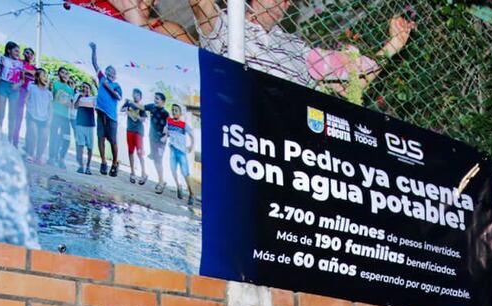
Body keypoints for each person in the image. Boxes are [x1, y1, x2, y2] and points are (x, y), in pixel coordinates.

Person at [190, 0, 414, 95]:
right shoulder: (225, 24)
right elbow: (200, 5)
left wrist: (393, 45)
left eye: (289, 0)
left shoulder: (297, 47)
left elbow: (353, 83)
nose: (284, 4)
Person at [88, 42, 122, 176]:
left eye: (113, 71)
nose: (111, 72)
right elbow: (94, 63)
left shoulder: (117, 85)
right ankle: (103, 162)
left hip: (112, 117)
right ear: (106, 72)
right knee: (100, 137)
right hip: (100, 113)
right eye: (109, 70)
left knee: (113, 141)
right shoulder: (102, 78)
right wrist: (94, 50)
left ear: (115, 74)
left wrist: (109, 88)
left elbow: (118, 97)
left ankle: (115, 163)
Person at [166, 104, 196, 205]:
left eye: (176, 110)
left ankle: (191, 194)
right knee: (173, 170)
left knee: (185, 173)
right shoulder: (169, 121)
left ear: (180, 113)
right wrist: (165, 135)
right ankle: (179, 186)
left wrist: (191, 145)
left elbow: (192, 135)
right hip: (172, 150)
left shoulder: (183, 125)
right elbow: (167, 132)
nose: (174, 112)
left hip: (181, 152)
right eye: (173, 110)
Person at [47, 67, 75, 168]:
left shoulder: (71, 89)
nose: (64, 74)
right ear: (58, 74)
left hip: (65, 117)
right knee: (53, 136)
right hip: (55, 114)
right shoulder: (55, 84)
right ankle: (51, 157)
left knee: (66, 138)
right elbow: (50, 98)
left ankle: (61, 158)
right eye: (62, 72)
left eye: (66, 73)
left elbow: (71, 104)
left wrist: (70, 104)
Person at [143, 92, 171, 193]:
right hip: (152, 138)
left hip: (161, 141)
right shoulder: (152, 107)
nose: (155, 100)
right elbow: (141, 107)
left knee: (158, 161)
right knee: (155, 160)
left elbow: (169, 128)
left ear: (163, 102)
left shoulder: (165, 113)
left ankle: (161, 182)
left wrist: (165, 136)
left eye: (157, 99)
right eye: (155, 98)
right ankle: (161, 180)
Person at [24, 69, 53, 164]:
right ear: (37, 77)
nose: (45, 78)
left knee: (44, 138)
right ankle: (30, 154)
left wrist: (50, 119)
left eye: (46, 76)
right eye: (43, 75)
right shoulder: (32, 87)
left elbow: (50, 107)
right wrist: (28, 108)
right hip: (32, 115)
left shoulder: (49, 93)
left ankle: (38, 156)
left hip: (44, 117)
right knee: (33, 135)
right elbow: (26, 99)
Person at [123, 89, 147, 184]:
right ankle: (132, 172)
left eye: (137, 95)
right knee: (130, 151)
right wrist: (126, 108)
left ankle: (143, 173)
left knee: (140, 153)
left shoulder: (141, 107)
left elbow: (144, 119)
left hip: (138, 132)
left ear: (140, 97)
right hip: (129, 130)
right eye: (134, 94)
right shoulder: (128, 103)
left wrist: (136, 116)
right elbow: (122, 110)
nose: (135, 96)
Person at [0, 42, 23, 130]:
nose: (18, 53)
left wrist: (18, 84)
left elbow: (22, 79)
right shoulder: (2, 58)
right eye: (16, 51)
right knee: (1, 114)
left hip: (15, 88)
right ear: (9, 50)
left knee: (12, 116)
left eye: (19, 52)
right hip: (3, 85)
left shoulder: (20, 63)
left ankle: (10, 137)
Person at [73, 82, 97, 175]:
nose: (84, 89)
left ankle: (88, 166)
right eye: (83, 87)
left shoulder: (93, 98)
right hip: (80, 124)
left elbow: (97, 104)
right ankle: (81, 166)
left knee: (90, 147)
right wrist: (80, 97)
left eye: (86, 87)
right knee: (80, 145)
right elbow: (75, 106)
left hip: (90, 125)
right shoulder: (78, 96)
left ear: (90, 90)